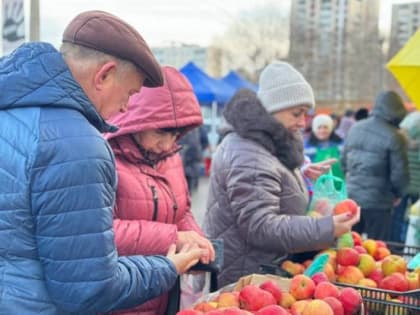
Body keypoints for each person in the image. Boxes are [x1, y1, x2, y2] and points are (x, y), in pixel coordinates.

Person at [0, 10, 203, 315]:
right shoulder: (77, 143)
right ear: (104, 74)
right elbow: (89, 290)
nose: (126, 107)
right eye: (131, 92)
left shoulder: (12, 112)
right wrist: (168, 266)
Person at [202, 61, 360, 287]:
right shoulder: (249, 152)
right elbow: (261, 226)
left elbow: (266, 181)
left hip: (261, 271)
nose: (302, 123)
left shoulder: (267, 143)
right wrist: (327, 228)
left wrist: (299, 177)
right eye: (297, 114)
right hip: (246, 279)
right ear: (271, 110)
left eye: (306, 114)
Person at [104, 66, 215, 315]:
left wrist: (196, 244)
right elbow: (100, 232)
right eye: (160, 132)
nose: (166, 144)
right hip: (119, 298)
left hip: (164, 292)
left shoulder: (170, 157)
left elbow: (182, 211)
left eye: (175, 134)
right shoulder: (104, 158)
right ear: (135, 121)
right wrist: (173, 238)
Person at [342, 91, 408, 241]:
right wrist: (399, 194)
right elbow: (399, 173)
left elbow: (344, 162)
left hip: (352, 198)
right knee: (379, 248)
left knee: (350, 246)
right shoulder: (394, 136)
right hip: (380, 201)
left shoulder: (355, 128)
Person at [391, 111, 420, 242]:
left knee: (397, 216)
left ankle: (397, 244)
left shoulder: (399, 138)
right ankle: (413, 244)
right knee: (416, 218)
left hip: (403, 183)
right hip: (418, 185)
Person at [304, 114, 344, 180]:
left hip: (339, 184)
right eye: (319, 127)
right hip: (316, 186)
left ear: (331, 129)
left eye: (326, 127)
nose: (322, 131)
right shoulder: (307, 146)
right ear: (314, 129)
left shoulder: (340, 144)